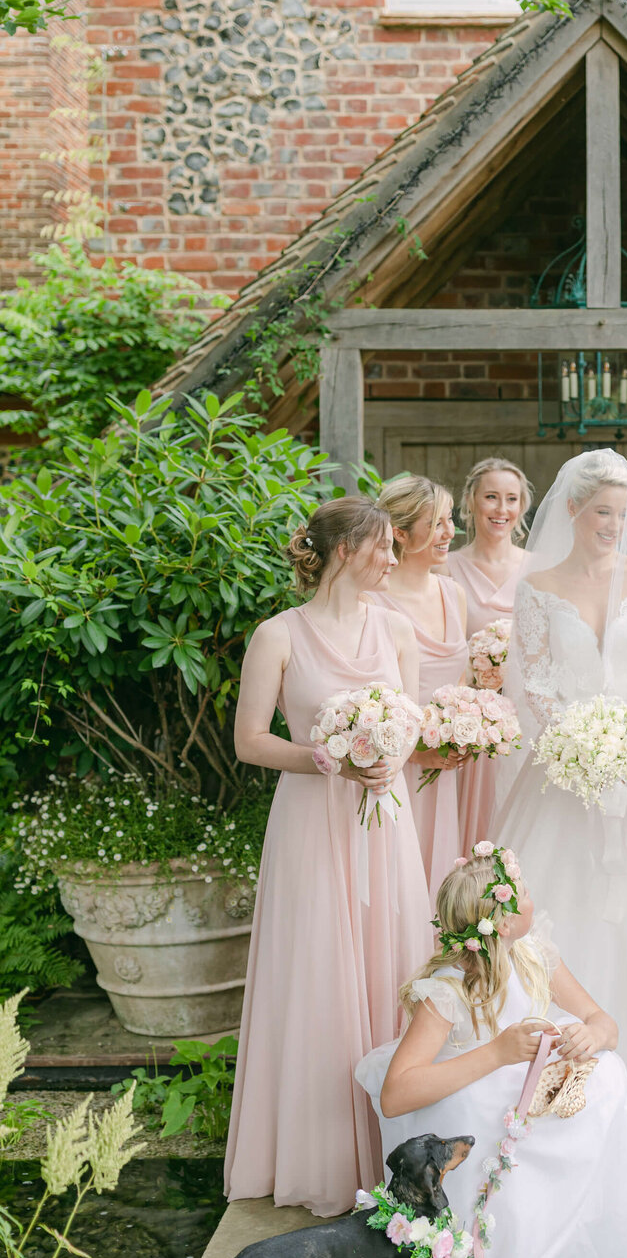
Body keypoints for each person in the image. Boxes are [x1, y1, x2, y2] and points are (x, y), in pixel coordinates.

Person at [226, 496, 432, 1217]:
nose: (392, 558)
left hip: (384, 818)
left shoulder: (398, 629)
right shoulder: (278, 636)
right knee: (318, 966)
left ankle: (394, 1146)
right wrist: (327, 758)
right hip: (313, 820)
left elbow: (410, 721)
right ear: (346, 550)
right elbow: (251, 740)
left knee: (390, 960)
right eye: (382, 547)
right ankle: (320, 1156)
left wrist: (386, 755)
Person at [355, 844, 627, 1258]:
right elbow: (396, 1095)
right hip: (471, 1088)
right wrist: (498, 1053)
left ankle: (574, 1222)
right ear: (503, 922)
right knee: (483, 1110)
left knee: (610, 1077)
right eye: (522, 890)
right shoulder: (446, 990)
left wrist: (591, 1035)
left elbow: (605, 1023)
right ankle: (504, 1241)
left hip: (534, 1084)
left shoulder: (534, 954)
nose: (531, 894)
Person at [495, 448, 627, 1184]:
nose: (612, 524)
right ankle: (552, 1109)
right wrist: (578, 746)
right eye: (600, 512)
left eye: (621, 512)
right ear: (572, 512)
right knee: (556, 917)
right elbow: (536, 683)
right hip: (565, 775)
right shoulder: (538, 585)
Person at [375, 476, 470, 902]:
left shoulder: (454, 594)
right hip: (394, 766)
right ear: (400, 533)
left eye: (450, 521)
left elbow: (461, 682)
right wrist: (416, 749)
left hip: (448, 766)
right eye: (436, 524)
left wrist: (469, 727)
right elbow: (370, 699)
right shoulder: (372, 602)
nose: (449, 533)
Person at [445, 459, 533, 844]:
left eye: (511, 499)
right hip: (472, 721)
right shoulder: (446, 569)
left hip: (528, 722)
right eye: (491, 497)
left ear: (523, 505)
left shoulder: (541, 569)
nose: (501, 509)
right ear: (470, 502)